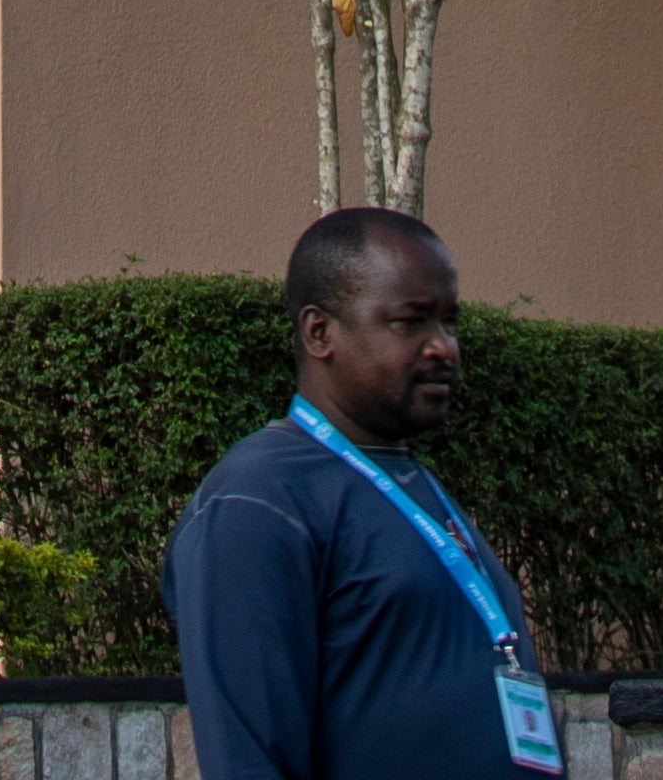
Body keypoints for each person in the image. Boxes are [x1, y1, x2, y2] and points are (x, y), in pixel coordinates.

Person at [170, 210, 553, 780]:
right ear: (319, 332)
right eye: (411, 322)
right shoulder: (258, 501)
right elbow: (248, 759)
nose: (443, 347)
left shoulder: (413, 484)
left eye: (450, 321)